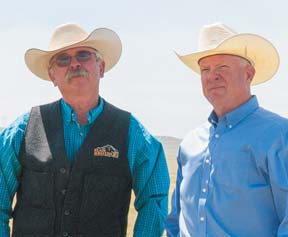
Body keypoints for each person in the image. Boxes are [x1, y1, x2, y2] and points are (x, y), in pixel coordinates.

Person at [0, 23, 170, 237]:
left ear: (101, 67)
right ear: (52, 76)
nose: (74, 64)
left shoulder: (132, 133)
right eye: (63, 59)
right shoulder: (22, 132)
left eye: (83, 55)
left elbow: (154, 202)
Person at [164, 23, 288, 237]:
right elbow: (176, 220)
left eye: (222, 68)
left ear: (249, 73)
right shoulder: (190, 143)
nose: (212, 76)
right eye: (205, 70)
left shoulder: (281, 136)